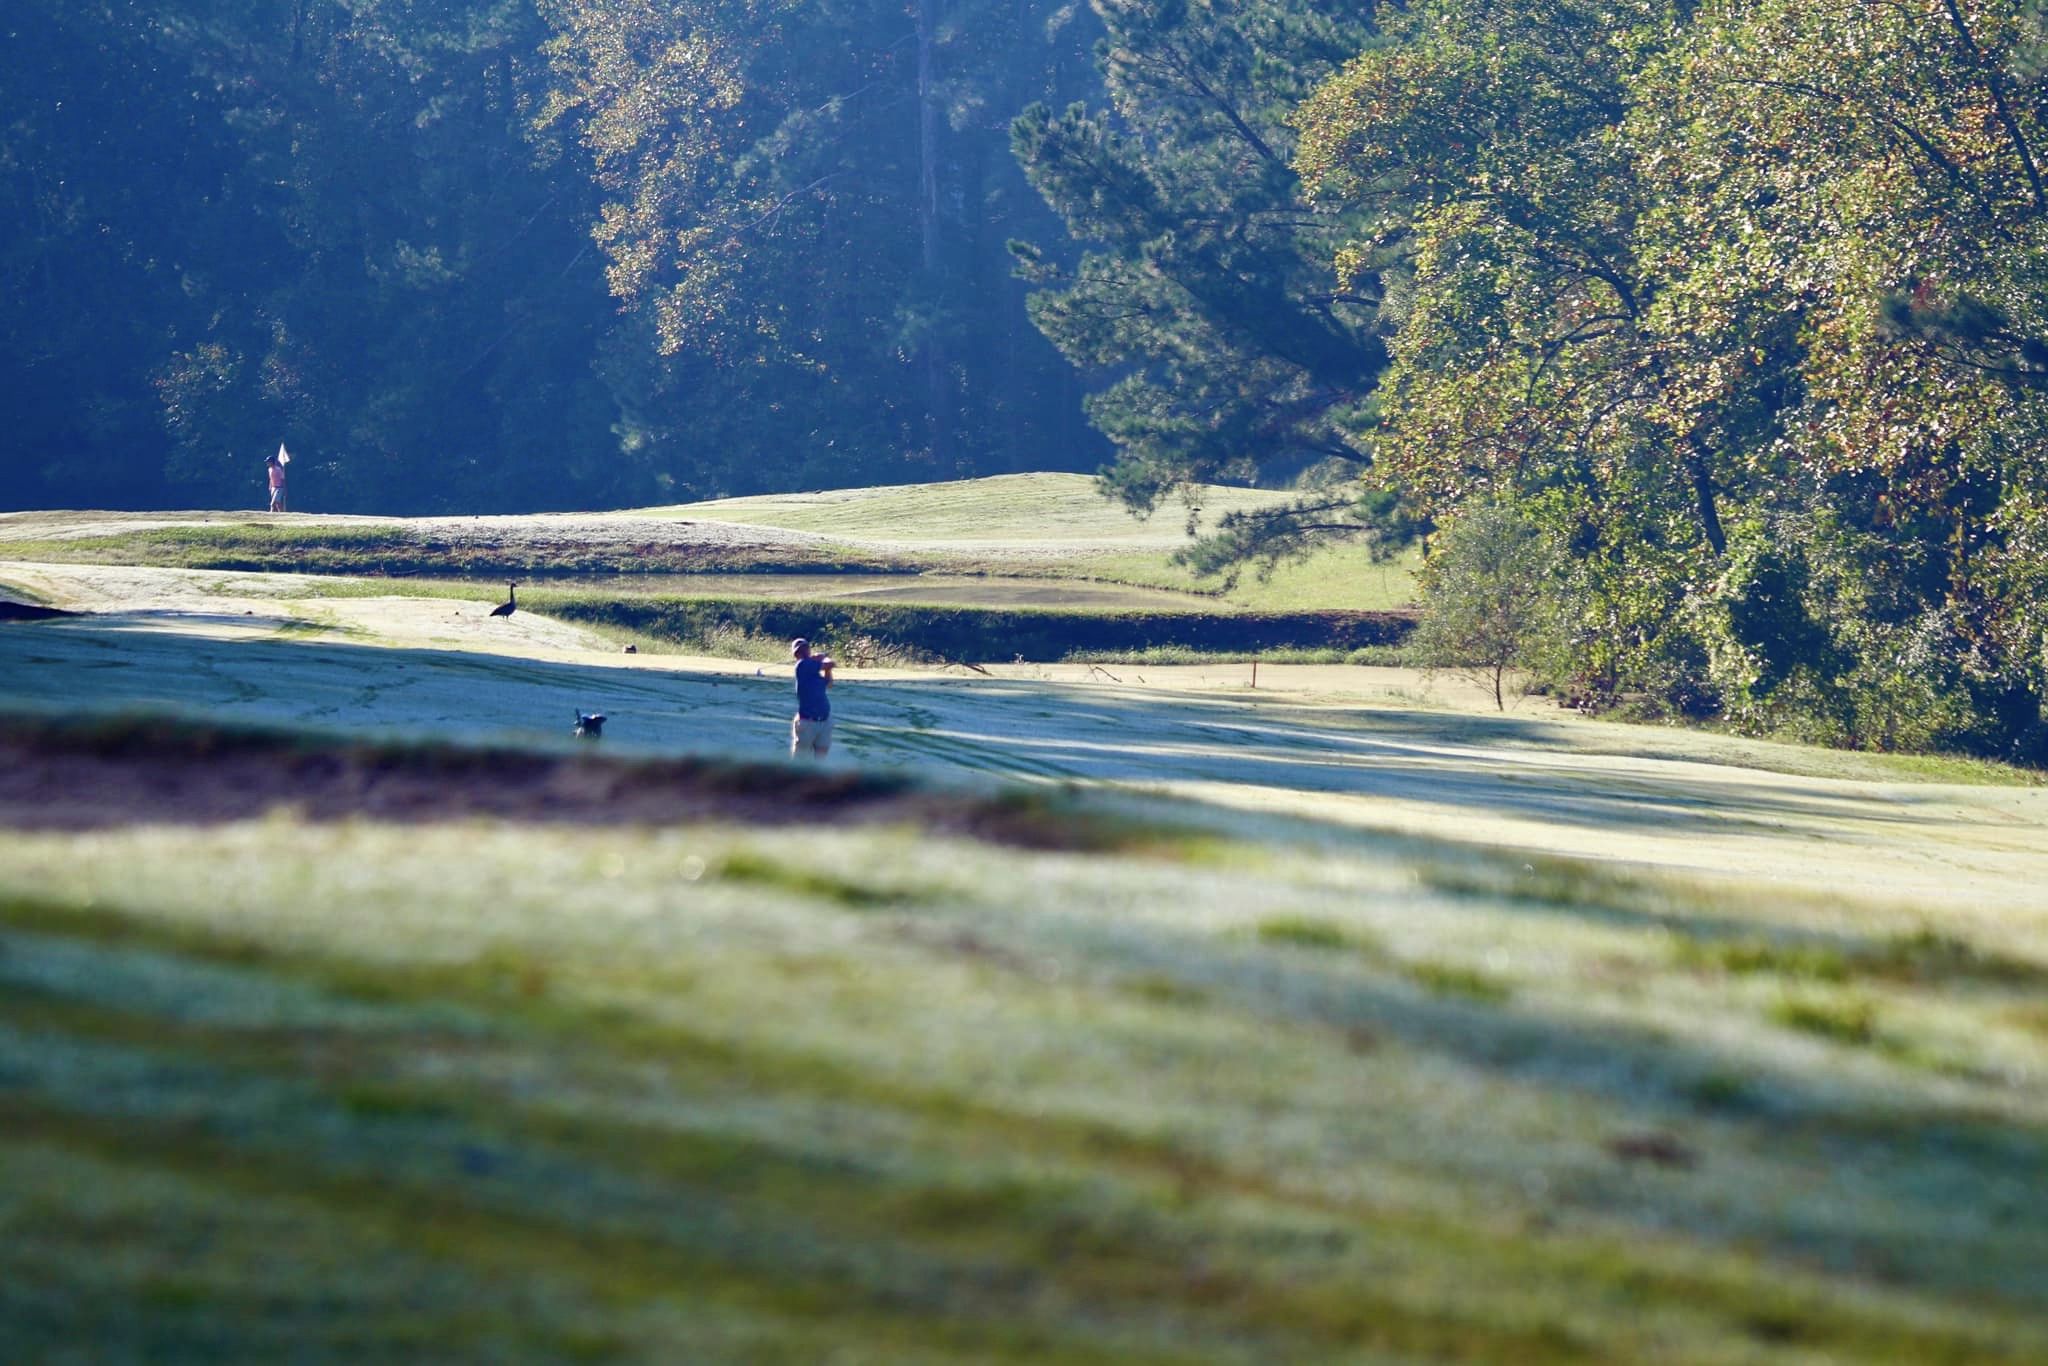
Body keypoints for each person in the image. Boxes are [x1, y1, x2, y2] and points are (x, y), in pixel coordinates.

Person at [789, 636, 834, 760]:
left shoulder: (815, 672)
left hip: (824, 720)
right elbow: (830, 663)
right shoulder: (802, 665)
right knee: (800, 760)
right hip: (807, 722)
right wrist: (823, 657)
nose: (803, 651)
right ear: (796, 654)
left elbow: (829, 684)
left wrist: (826, 667)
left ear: (809, 650)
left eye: (805, 648)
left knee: (821, 760)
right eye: (799, 650)